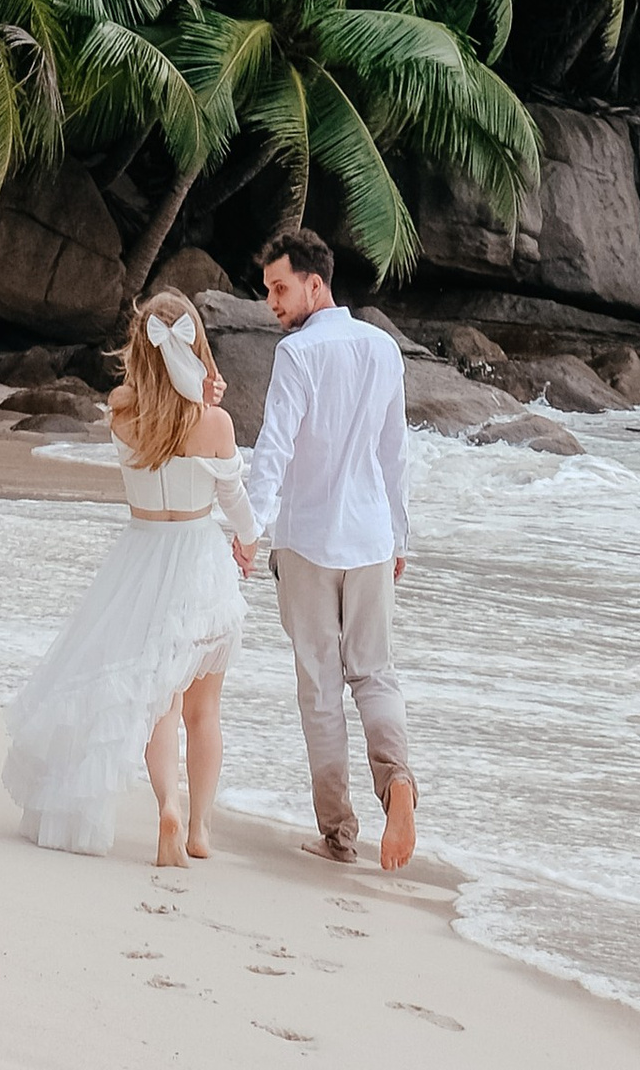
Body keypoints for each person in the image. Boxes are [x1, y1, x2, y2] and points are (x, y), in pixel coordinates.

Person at [1, 285, 260, 866]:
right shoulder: (213, 422)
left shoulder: (122, 414)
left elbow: (141, 395)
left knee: (159, 705)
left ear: (138, 353)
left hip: (141, 560)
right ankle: (198, 829)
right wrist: (248, 542)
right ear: (196, 351)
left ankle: (166, 803)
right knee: (204, 710)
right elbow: (234, 498)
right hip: (199, 565)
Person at [248, 226, 418, 871]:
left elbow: (276, 446)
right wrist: (400, 534)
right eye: (268, 291)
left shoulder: (297, 356)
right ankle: (397, 780)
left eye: (280, 288)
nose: (272, 302)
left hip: (309, 542)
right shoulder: (382, 347)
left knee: (320, 689)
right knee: (374, 673)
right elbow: (394, 452)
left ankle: (339, 834)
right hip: (373, 538)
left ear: (315, 283)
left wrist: (250, 526)